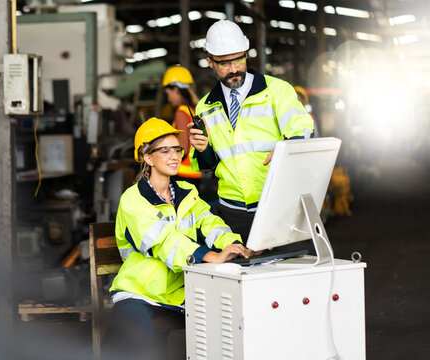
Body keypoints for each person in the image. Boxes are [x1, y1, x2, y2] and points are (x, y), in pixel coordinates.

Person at [102, 117, 252, 360]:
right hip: (140, 293)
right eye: (165, 150)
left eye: (177, 149)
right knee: (139, 347)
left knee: (229, 327)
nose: (174, 156)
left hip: (182, 293)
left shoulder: (187, 193)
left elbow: (209, 223)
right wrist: (209, 256)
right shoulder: (133, 200)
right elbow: (164, 240)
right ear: (147, 158)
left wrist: (233, 245)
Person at [188, 19, 314, 242]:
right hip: (232, 213)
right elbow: (208, 165)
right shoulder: (204, 107)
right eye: (225, 63)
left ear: (246, 54)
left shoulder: (277, 91)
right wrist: (202, 148)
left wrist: (286, 150)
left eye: (239, 59)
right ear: (210, 62)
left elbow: (303, 130)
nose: (234, 69)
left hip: (278, 206)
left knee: (286, 272)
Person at [161, 65, 201, 183]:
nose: (168, 99)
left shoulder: (181, 112)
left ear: (176, 90)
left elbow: (183, 147)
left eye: (168, 94)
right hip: (193, 172)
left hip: (182, 173)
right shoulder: (193, 110)